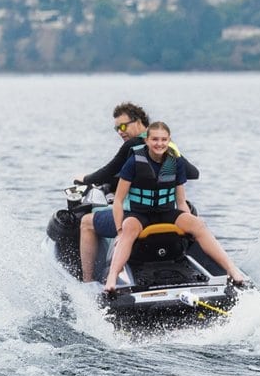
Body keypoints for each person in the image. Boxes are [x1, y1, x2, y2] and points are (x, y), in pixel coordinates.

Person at [103, 121, 246, 293]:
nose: (159, 144)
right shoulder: (134, 161)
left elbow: (180, 200)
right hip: (140, 214)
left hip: (166, 212)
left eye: (164, 140)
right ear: (147, 141)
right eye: (155, 139)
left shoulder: (175, 162)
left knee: (198, 224)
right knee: (128, 227)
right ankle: (112, 278)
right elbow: (118, 200)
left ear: (169, 140)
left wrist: (190, 225)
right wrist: (119, 231)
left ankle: (232, 270)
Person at [74, 102, 199, 281]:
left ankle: (87, 282)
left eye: (124, 126)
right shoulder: (168, 146)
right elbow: (193, 173)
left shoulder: (134, 145)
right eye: (116, 128)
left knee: (87, 222)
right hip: (166, 213)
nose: (120, 131)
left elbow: (107, 172)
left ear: (139, 121)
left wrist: (84, 179)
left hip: (136, 216)